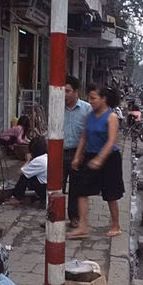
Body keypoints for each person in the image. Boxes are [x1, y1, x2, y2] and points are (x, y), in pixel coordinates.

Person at [69, 86, 124, 239]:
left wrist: (100, 159)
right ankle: (83, 226)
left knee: (110, 194)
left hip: (110, 159)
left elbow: (112, 140)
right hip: (90, 155)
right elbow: (84, 137)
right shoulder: (90, 115)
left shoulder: (111, 116)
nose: (90, 101)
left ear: (103, 99)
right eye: (89, 98)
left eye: (93, 98)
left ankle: (116, 225)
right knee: (81, 191)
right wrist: (78, 156)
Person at [63, 76, 92, 228]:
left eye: (67, 91)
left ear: (75, 91)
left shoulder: (86, 109)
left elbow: (89, 133)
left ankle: (74, 217)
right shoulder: (57, 107)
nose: (64, 94)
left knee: (75, 187)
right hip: (60, 152)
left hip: (77, 153)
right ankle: (54, 216)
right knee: (55, 187)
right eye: (62, 91)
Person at [5, 136, 48, 204]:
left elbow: (20, 172)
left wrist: (27, 161)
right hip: (46, 186)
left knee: (25, 176)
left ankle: (17, 198)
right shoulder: (45, 157)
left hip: (44, 189)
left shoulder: (38, 160)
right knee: (29, 174)